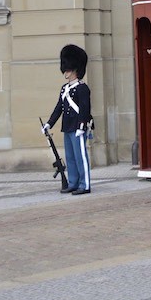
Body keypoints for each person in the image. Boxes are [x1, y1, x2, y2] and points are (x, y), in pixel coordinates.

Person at [43, 45, 93, 195]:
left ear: (75, 69)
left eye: (68, 68)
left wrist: (82, 126)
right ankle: (73, 182)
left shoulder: (82, 88)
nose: (66, 71)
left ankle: (85, 185)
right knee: (70, 158)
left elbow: (85, 109)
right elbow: (59, 108)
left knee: (80, 157)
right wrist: (49, 123)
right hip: (68, 126)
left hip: (78, 126)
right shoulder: (65, 88)